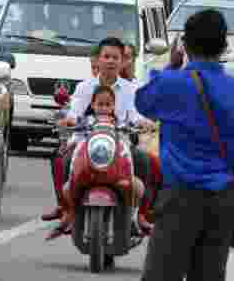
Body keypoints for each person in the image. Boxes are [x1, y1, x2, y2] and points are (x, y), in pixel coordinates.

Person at [136, 10, 234, 281]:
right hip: (223, 199)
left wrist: (171, 66)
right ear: (224, 46)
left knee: (161, 275)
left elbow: (143, 103)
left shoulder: (172, 83)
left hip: (180, 195)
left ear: (184, 45)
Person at [43, 38, 155, 238]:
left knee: (144, 161)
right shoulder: (85, 87)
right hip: (85, 142)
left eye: (116, 57)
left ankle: (140, 215)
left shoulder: (130, 89)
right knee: (63, 159)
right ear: (98, 60)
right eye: (106, 56)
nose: (111, 61)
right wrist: (68, 120)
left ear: (123, 62)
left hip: (120, 143)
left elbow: (135, 114)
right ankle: (68, 210)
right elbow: (74, 112)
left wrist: (142, 122)